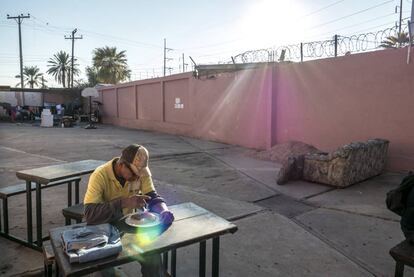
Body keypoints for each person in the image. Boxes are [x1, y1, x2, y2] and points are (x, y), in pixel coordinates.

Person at [83, 144, 174, 277]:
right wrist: (124, 202)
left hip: (131, 227)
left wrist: (163, 210)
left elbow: (152, 196)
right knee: (107, 272)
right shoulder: (99, 175)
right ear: (121, 164)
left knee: (153, 258)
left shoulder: (141, 172)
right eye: (133, 174)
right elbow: (90, 214)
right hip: (105, 230)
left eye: (139, 175)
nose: (137, 178)